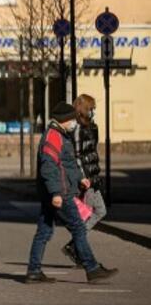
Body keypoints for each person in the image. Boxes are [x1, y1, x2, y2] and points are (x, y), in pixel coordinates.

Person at [25, 102, 118, 284]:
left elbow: (67, 164)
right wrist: (56, 193)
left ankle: (33, 271)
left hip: (57, 191)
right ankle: (92, 268)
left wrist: (79, 178)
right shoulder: (53, 136)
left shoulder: (60, 134)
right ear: (64, 120)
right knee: (78, 228)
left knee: (44, 231)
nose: (74, 123)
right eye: (72, 120)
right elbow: (49, 168)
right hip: (61, 192)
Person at [62, 94, 107, 265]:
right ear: (83, 109)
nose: (92, 111)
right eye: (90, 108)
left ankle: (75, 246)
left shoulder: (91, 127)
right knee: (96, 211)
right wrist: (83, 177)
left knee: (92, 213)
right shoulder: (77, 129)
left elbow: (93, 151)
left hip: (92, 176)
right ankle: (76, 247)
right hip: (86, 179)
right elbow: (77, 155)